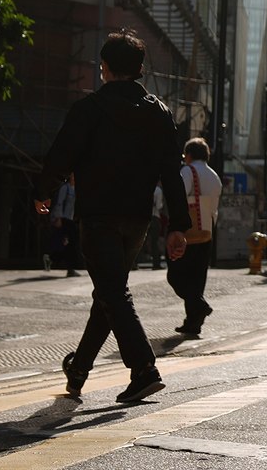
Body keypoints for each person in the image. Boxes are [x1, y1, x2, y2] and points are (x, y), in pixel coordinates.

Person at [34, 29, 190, 403]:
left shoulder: (89, 109)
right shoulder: (159, 112)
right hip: (137, 219)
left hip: (98, 215)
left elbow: (62, 155)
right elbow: (171, 173)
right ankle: (79, 369)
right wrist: (178, 225)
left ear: (103, 67)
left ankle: (144, 368)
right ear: (139, 68)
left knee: (112, 291)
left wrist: (43, 191)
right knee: (109, 292)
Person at [172, 137, 221, 335]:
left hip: (189, 231)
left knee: (176, 275)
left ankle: (199, 307)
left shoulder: (188, 171)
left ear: (189, 155)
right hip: (207, 231)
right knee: (198, 278)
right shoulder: (214, 176)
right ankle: (193, 322)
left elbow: (179, 198)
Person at [49, 175, 80, 276]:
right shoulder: (65, 188)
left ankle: (64, 264)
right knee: (67, 242)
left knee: (71, 243)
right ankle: (57, 261)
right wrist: (58, 217)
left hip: (71, 219)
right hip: (64, 219)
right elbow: (59, 203)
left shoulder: (76, 189)